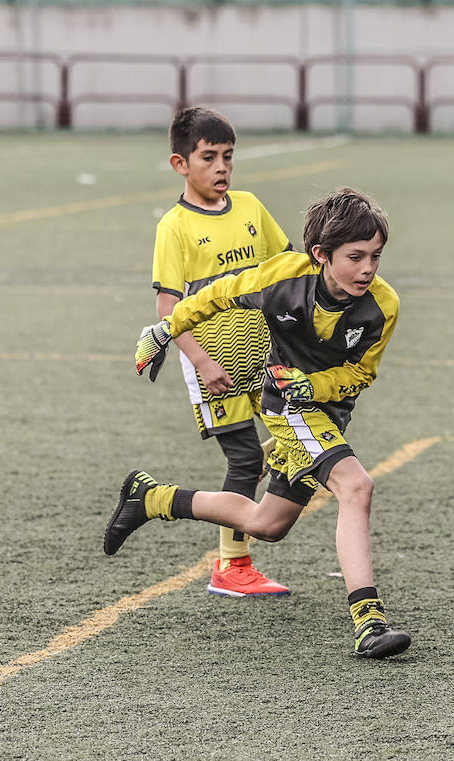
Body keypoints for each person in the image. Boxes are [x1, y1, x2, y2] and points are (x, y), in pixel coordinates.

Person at [107, 187, 412, 660]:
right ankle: (368, 620)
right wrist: (165, 331)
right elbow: (216, 295)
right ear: (320, 255)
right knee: (356, 486)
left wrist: (317, 384)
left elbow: (361, 373)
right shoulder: (283, 279)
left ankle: (153, 498)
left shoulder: (382, 305)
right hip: (287, 408)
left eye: (375, 255)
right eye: (355, 257)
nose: (368, 268)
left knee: (267, 524)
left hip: (325, 411)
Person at [150, 106, 294, 597]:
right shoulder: (174, 225)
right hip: (216, 365)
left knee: (288, 441)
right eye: (208, 157)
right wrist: (201, 361)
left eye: (228, 157)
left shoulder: (251, 207)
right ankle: (232, 567)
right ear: (180, 164)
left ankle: (223, 550)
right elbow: (169, 308)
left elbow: (288, 270)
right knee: (244, 456)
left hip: (265, 359)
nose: (221, 168)